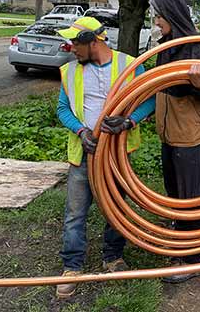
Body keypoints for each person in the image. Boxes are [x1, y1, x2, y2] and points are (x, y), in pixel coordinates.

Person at [55, 16, 155, 300]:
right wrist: (81, 130)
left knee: (116, 209)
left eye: (75, 42)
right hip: (84, 153)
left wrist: (129, 121)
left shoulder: (130, 65)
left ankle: (112, 258)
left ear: (92, 41)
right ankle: (71, 267)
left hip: (116, 155)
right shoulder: (70, 71)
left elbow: (150, 99)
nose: (72, 48)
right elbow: (63, 109)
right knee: (75, 213)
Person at [151, 0, 200, 284]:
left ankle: (192, 259)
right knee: (175, 194)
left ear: (172, 16)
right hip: (169, 133)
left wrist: (199, 84)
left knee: (190, 198)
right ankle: (180, 239)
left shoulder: (199, 49)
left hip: (190, 135)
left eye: (159, 16)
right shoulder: (167, 48)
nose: (155, 21)